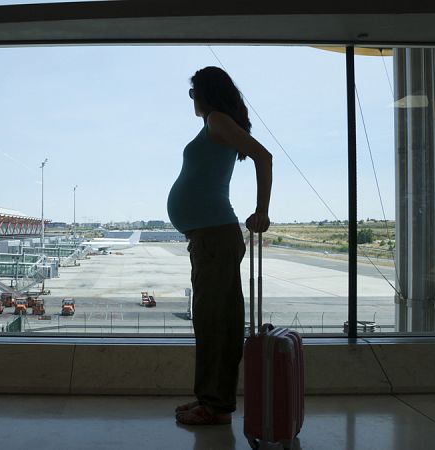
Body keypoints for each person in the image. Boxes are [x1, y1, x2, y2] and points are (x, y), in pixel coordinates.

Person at [167, 66, 272, 425]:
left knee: (216, 324)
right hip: (208, 237)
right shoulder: (214, 123)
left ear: (206, 92)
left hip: (215, 236)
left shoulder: (217, 120)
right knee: (210, 321)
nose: (192, 99)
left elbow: (264, 157)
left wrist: (262, 210)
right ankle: (209, 399)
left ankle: (216, 406)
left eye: (193, 92)